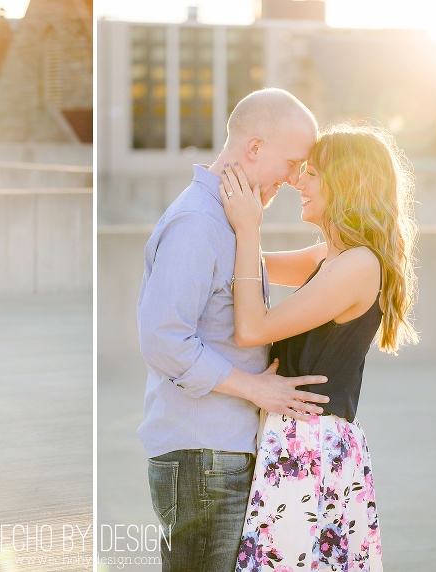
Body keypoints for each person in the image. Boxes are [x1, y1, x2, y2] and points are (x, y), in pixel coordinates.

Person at [137, 88, 332, 571]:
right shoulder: (198, 222)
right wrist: (256, 388)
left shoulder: (228, 221)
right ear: (255, 148)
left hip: (217, 456)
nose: (294, 178)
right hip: (204, 459)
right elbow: (162, 339)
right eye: (292, 163)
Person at [218, 123, 418, 571]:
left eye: (311, 173)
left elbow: (252, 328)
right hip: (297, 440)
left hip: (309, 447)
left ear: (346, 184)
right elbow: (242, 267)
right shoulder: (329, 257)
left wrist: (249, 229)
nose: (298, 181)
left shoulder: (359, 265)